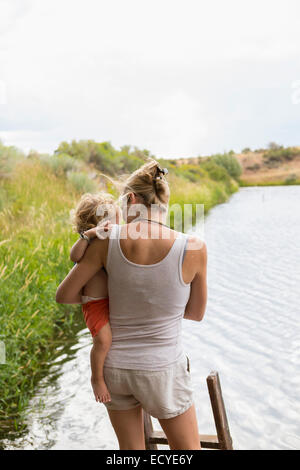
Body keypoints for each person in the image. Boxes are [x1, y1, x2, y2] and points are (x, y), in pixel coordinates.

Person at [56, 159, 207, 450]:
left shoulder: (104, 242)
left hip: (115, 370)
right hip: (162, 368)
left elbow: (65, 294)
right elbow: (195, 314)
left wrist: (110, 302)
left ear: (131, 199)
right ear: (164, 200)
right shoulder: (195, 247)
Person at [69, 192, 120, 404]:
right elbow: (74, 256)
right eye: (114, 222)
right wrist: (90, 235)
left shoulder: (113, 244)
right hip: (95, 303)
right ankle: (96, 378)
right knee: (103, 340)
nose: (119, 226)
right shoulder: (89, 244)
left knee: (113, 339)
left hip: (110, 302)